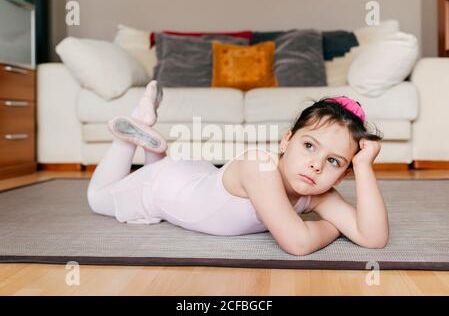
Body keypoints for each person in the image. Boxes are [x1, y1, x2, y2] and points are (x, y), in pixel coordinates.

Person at [87, 81, 389, 256]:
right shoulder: (259, 167)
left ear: (344, 172)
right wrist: (336, 227)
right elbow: (297, 243)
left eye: (334, 161)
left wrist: (363, 166)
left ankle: (155, 150)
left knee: (181, 188)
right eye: (309, 146)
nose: (316, 164)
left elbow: (374, 238)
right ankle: (127, 139)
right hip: (162, 187)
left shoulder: (317, 190)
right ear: (286, 141)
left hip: (195, 177)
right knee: (97, 198)